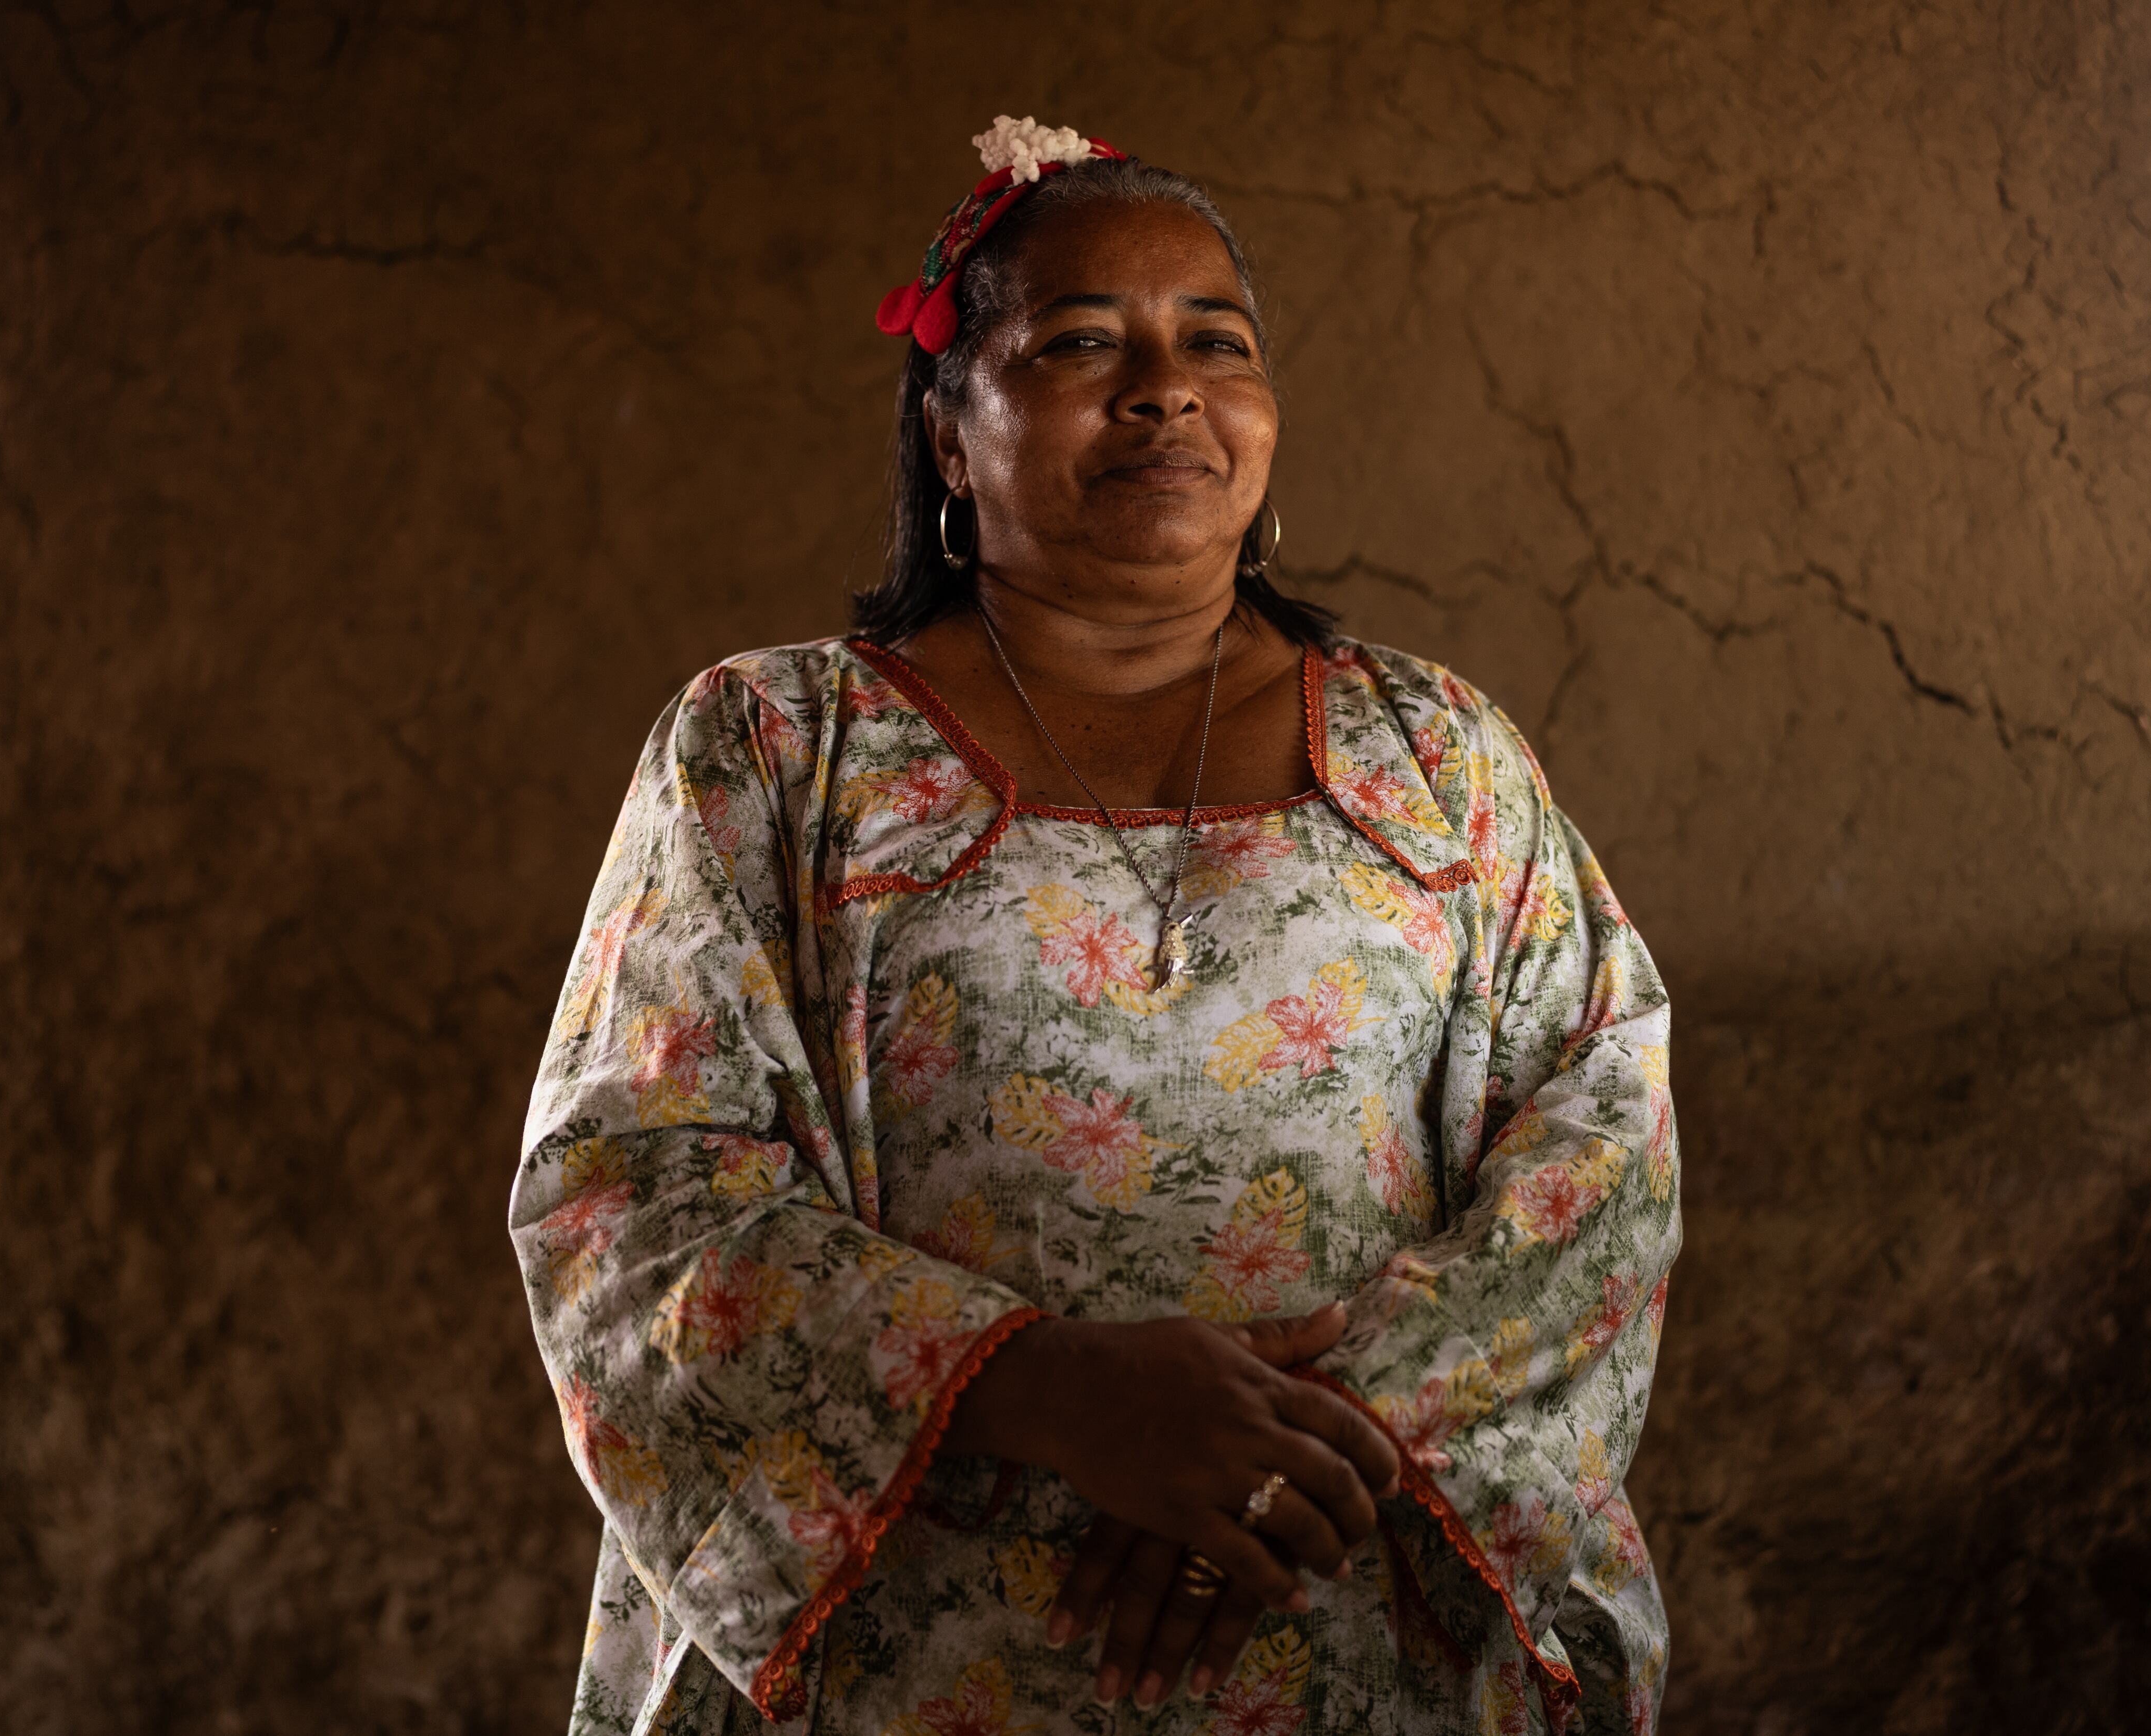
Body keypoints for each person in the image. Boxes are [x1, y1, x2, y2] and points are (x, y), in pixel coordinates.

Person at [511, 115, 1681, 1736]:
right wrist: (1047, 1392)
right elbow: (630, 1195)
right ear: (946, 435)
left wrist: (1314, 1454)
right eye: (1080, 341)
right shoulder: (776, 752)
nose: (1169, 385)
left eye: (1221, 340)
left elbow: (1603, 1147)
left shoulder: (1442, 761)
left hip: (1343, 1620)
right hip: (921, 1658)